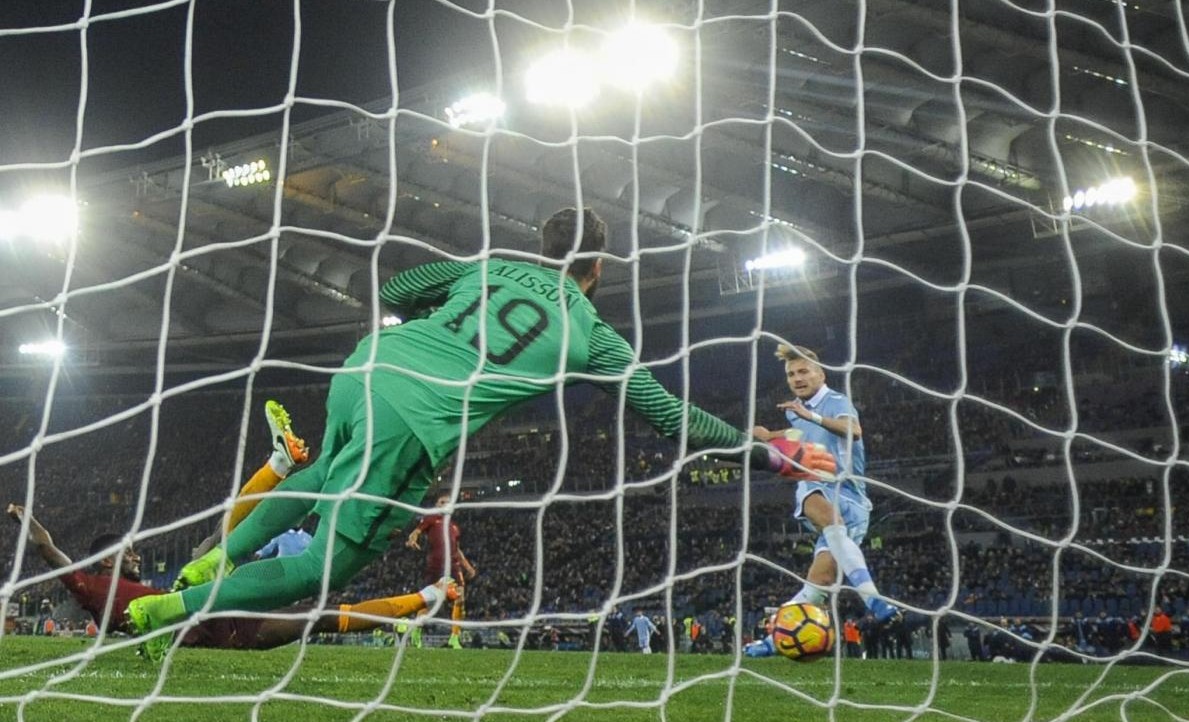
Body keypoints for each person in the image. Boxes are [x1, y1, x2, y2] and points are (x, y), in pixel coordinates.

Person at [127, 206, 835, 659]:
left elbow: (398, 291)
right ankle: (169, 610)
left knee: (321, 471)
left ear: (542, 246)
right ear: (598, 267)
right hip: (415, 416)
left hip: (366, 370)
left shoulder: (491, 269)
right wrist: (766, 452)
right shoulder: (592, 336)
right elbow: (671, 418)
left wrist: (440, 315)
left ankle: (204, 565)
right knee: (324, 571)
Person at [6, 505, 458, 652]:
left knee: (216, 548)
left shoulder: (132, 589)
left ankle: (421, 598)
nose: (136, 555)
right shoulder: (90, 588)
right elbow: (51, 552)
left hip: (199, 607)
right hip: (211, 629)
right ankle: (424, 596)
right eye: (128, 552)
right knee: (316, 617)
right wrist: (29, 523)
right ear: (107, 560)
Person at [744, 344, 898, 658]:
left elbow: (854, 430)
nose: (796, 378)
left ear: (820, 373)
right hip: (819, 487)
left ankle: (776, 639)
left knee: (821, 579)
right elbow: (799, 434)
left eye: (803, 371)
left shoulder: (836, 401)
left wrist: (809, 415)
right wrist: (770, 435)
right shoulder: (794, 410)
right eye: (791, 374)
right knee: (820, 569)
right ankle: (873, 602)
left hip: (851, 498)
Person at [405, 492, 477, 649]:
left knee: (460, 599)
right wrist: (412, 539)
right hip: (436, 565)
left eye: (448, 502)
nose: (445, 504)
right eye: (442, 502)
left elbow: (457, 549)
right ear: (437, 505)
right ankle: (417, 631)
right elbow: (417, 531)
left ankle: (454, 637)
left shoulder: (455, 527)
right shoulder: (431, 518)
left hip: (453, 565)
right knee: (428, 601)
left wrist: (467, 566)